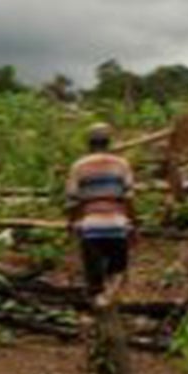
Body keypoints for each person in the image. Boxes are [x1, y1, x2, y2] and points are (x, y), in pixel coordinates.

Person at [65, 122, 135, 297]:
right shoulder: (121, 164)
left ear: (89, 143)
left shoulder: (79, 166)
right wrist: (133, 222)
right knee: (117, 272)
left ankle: (98, 300)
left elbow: (73, 200)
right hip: (117, 225)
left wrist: (72, 223)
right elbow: (129, 197)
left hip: (90, 227)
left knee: (94, 279)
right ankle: (112, 303)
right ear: (108, 142)